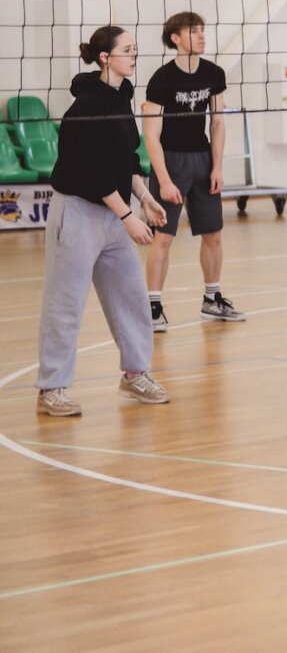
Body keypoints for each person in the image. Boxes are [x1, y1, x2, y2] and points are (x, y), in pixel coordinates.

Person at [35, 26, 171, 416]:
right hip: (78, 212)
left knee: (131, 296)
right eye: (127, 50)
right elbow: (93, 172)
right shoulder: (85, 107)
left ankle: (135, 374)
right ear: (105, 58)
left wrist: (146, 198)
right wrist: (128, 217)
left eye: (135, 49)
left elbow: (126, 159)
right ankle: (52, 388)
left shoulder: (122, 95)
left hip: (115, 212)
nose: (134, 55)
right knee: (65, 303)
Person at [142, 12, 244, 331]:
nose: (201, 35)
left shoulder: (213, 73)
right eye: (193, 31)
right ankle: (152, 307)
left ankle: (212, 300)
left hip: (202, 158)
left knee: (213, 233)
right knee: (163, 237)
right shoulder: (162, 79)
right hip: (171, 161)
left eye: (202, 30)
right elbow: (151, 135)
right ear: (175, 38)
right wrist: (164, 179)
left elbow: (217, 122)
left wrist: (217, 167)